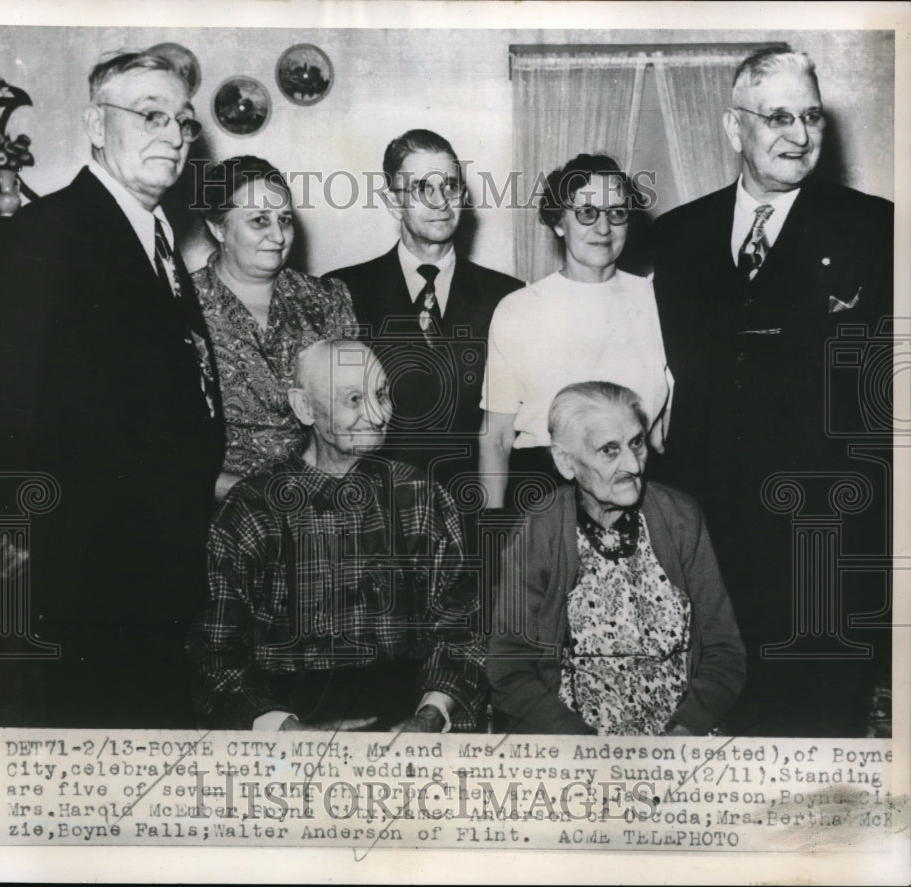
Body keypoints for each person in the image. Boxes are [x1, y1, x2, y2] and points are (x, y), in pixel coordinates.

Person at [0, 51, 224, 728]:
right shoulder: (47, 235)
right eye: (150, 115)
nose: (172, 134)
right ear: (95, 126)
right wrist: (19, 524)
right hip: (87, 575)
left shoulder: (157, 239)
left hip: (162, 572)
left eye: (183, 122)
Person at [651, 48, 894, 736]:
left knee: (817, 753)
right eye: (778, 116)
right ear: (735, 129)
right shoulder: (676, 236)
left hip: (823, 547)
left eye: (812, 116)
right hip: (712, 548)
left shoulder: (878, 230)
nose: (800, 135)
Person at [187, 338, 485, 732]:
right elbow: (213, 653)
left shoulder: (420, 497)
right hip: (289, 728)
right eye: (354, 399)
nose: (378, 415)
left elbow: (461, 628)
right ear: (304, 407)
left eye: (381, 395)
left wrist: (431, 715)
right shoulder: (252, 509)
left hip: (407, 721)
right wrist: (286, 730)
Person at [487, 382, 745, 735]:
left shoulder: (681, 518)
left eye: (636, 443)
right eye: (609, 450)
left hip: (679, 739)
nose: (633, 466)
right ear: (565, 461)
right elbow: (509, 670)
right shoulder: (539, 531)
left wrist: (686, 729)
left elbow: (724, 652)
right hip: (576, 746)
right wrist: (588, 750)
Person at [327, 129, 523, 491]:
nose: (440, 202)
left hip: (476, 516)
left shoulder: (508, 296)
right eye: (421, 188)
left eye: (450, 186)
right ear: (391, 202)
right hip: (377, 516)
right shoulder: (343, 291)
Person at [479, 154, 672, 511]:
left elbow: (661, 433)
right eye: (586, 213)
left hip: (637, 488)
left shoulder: (657, 300)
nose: (603, 228)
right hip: (546, 495)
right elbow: (497, 438)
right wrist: (492, 533)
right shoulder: (519, 309)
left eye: (616, 213)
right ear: (558, 222)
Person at [193, 155, 356, 499]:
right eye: (259, 221)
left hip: (324, 504)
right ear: (218, 227)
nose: (278, 236)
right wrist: (259, 497)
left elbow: (354, 413)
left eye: (284, 219)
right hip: (220, 512)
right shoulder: (181, 308)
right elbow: (165, 444)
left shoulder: (326, 300)